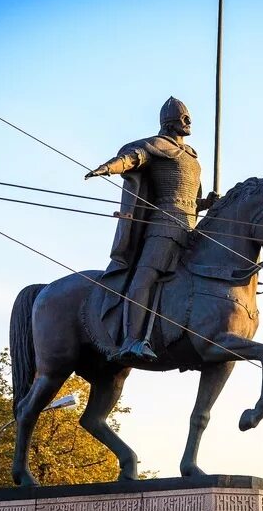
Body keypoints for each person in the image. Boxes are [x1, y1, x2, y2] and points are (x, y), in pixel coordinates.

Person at [85, 97, 217, 362]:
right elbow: (133, 158)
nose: (189, 122)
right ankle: (132, 340)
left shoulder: (192, 157)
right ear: (170, 122)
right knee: (144, 278)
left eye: (189, 117)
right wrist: (109, 168)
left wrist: (207, 204)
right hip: (163, 226)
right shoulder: (158, 147)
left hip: (191, 228)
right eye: (184, 117)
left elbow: (190, 198)